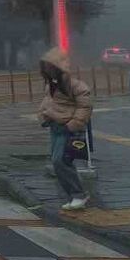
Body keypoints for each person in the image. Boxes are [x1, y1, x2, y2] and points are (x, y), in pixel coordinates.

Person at [36, 47, 93, 211]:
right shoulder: (51, 85)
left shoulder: (76, 86)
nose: (48, 70)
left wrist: (73, 124)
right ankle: (74, 195)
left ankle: (78, 194)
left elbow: (85, 107)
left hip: (67, 128)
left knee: (60, 161)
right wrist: (43, 116)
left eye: (51, 66)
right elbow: (47, 102)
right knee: (58, 163)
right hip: (55, 127)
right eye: (46, 67)